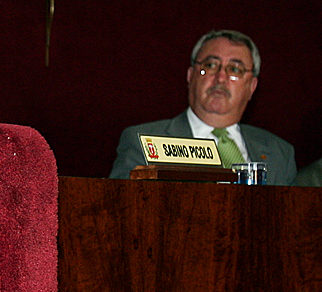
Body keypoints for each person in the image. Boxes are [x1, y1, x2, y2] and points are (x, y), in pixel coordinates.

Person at [109, 29, 297, 184]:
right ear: (191, 76)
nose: (220, 77)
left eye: (234, 69)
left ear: (251, 86)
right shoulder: (143, 142)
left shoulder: (279, 153)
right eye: (210, 65)